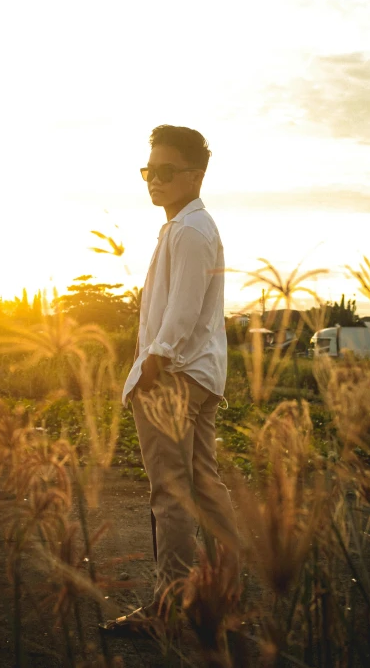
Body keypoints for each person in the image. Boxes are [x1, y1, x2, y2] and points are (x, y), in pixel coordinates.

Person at [101, 125, 240, 635]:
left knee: (172, 493)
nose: (154, 180)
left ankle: (172, 606)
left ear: (196, 174)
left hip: (175, 377)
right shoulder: (186, 227)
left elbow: (179, 317)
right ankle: (222, 589)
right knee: (201, 484)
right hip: (196, 374)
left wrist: (150, 371)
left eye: (166, 171)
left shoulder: (189, 230)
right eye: (148, 171)